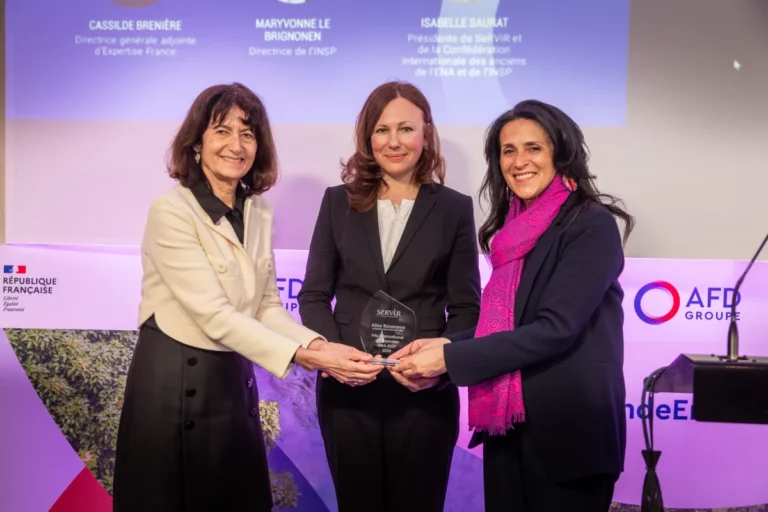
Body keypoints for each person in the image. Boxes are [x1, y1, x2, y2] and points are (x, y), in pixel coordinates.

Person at [113, 83, 380, 512]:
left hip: (231, 383)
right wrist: (307, 358)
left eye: (248, 133)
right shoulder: (172, 211)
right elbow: (215, 315)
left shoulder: (258, 211)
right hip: (171, 384)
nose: (236, 145)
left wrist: (317, 345)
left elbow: (265, 306)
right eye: (222, 131)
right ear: (196, 142)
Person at [390, 99, 633, 512]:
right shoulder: (515, 232)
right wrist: (441, 345)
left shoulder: (590, 224)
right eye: (508, 150)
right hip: (510, 432)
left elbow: (554, 328)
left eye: (533, 148)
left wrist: (450, 358)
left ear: (561, 152)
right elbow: (508, 326)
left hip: (568, 437)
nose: (519, 161)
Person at [297, 81, 481, 512]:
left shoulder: (454, 208)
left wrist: (443, 364)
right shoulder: (336, 203)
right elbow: (314, 295)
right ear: (367, 137)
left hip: (424, 395)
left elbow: (469, 307)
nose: (393, 142)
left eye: (405, 129)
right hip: (349, 393)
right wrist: (331, 355)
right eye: (381, 130)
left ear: (426, 134)